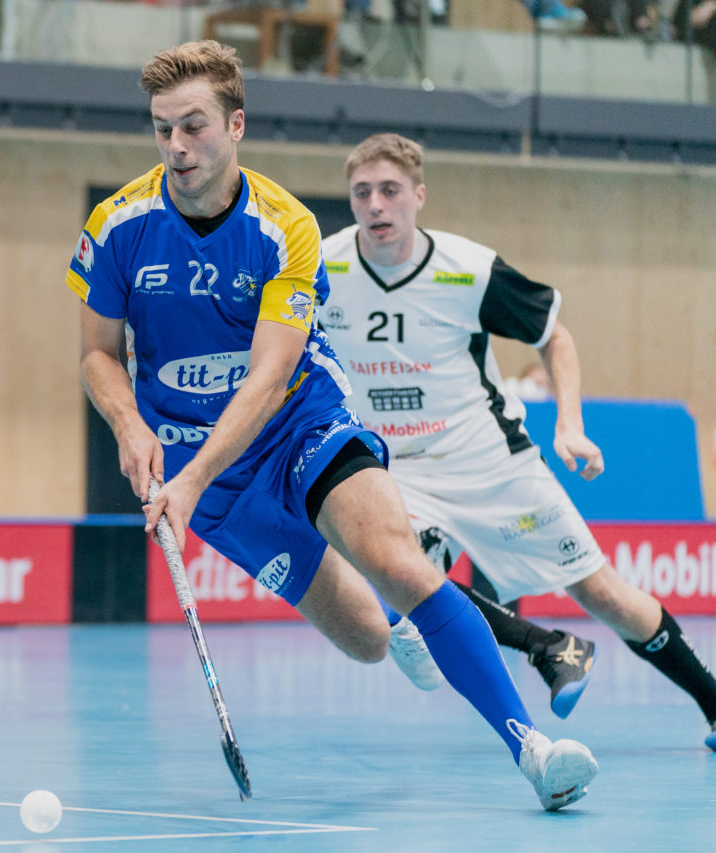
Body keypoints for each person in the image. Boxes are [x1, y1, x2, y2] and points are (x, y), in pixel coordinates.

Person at [69, 40, 596, 810]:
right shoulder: (118, 226)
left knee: (404, 564)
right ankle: (405, 621)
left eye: (193, 126)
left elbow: (269, 375)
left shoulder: (286, 228)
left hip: (296, 425)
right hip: (207, 476)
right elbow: (96, 354)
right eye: (162, 129)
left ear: (236, 124)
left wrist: (186, 481)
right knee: (369, 637)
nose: (176, 147)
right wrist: (126, 422)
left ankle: (532, 747)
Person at [320, 132, 716, 750]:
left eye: (390, 191)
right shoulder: (324, 266)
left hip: (489, 461)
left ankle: (712, 701)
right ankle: (549, 647)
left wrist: (569, 424)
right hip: (395, 470)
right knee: (400, 573)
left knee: (603, 593)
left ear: (418, 196)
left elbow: (554, 337)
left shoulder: (467, 269)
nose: (375, 205)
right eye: (362, 193)